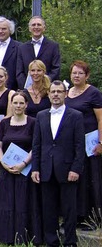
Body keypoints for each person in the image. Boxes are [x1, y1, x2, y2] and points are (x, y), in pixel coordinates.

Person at [31, 81, 84, 247]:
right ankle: (51, 241)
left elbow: (79, 145)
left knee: (69, 209)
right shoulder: (41, 115)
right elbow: (37, 144)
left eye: (59, 92)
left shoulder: (75, 115)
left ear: (65, 94)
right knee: (48, 209)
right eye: (53, 92)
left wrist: (76, 168)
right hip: (46, 168)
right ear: (49, 94)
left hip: (67, 169)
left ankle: (70, 241)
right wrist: (35, 168)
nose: (56, 95)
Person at [0, 92, 35, 245]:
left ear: (26, 105)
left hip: (24, 170)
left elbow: (35, 146)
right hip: (7, 169)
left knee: (23, 202)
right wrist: (3, 163)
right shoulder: (4, 123)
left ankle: (22, 237)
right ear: (11, 104)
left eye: (21, 103)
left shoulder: (32, 122)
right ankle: (6, 237)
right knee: (6, 202)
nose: (18, 106)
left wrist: (23, 163)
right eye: (15, 103)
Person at [64, 60, 102, 230]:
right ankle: (79, 215)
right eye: (74, 73)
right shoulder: (68, 93)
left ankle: (94, 218)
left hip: (91, 144)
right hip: (73, 145)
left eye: (80, 73)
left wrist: (101, 142)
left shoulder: (93, 93)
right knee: (77, 181)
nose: (76, 76)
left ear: (87, 76)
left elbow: (101, 119)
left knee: (93, 181)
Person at [16, 16, 61, 89]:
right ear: (29, 28)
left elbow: (56, 69)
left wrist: (45, 84)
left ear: (44, 28)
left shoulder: (53, 46)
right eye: (33, 25)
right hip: (28, 91)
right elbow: (19, 72)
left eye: (39, 25)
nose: (36, 27)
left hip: (47, 89)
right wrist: (26, 87)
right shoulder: (22, 48)